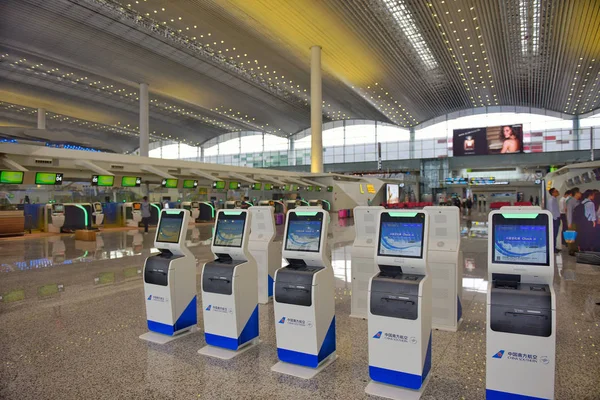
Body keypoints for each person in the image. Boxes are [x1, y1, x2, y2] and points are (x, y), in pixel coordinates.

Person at [566, 188, 582, 256]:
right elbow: (569, 212)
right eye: (579, 192)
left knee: (575, 235)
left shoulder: (577, 201)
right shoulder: (571, 201)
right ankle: (571, 250)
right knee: (571, 235)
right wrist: (569, 222)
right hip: (572, 221)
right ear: (576, 193)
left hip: (576, 221)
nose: (580, 194)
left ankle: (575, 248)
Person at [546, 188, 560, 253]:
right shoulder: (551, 200)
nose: (558, 192)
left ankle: (554, 247)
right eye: (556, 191)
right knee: (553, 234)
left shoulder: (554, 199)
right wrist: (554, 219)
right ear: (553, 193)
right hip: (554, 219)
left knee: (555, 234)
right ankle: (552, 248)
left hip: (556, 218)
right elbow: (551, 210)